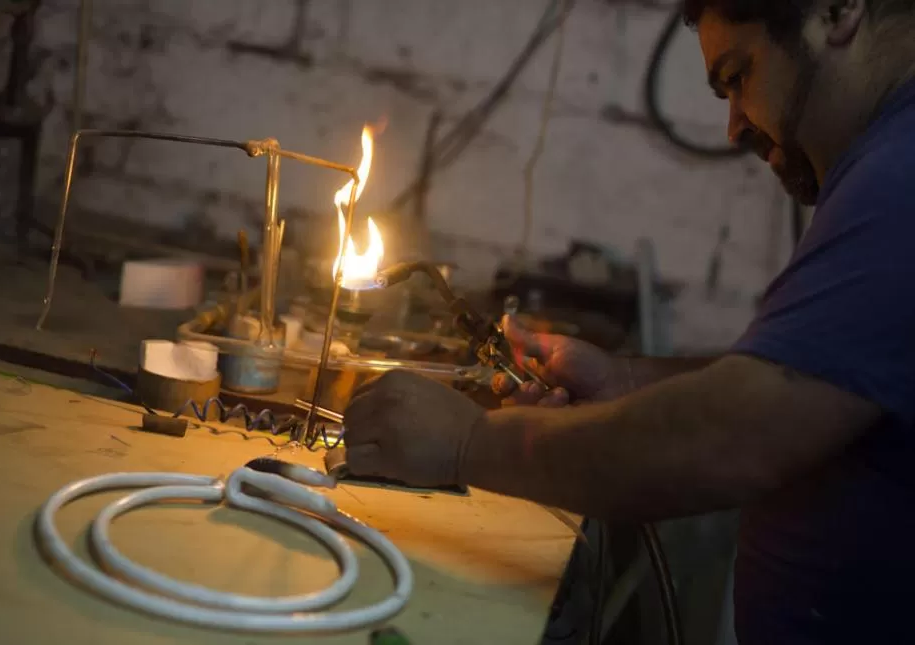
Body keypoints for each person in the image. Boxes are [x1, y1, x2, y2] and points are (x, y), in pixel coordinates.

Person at [342, 1, 915, 643]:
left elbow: (734, 437)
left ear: (839, 10)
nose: (733, 127)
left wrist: (464, 446)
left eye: (738, 76)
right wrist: (629, 383)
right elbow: (819, 385)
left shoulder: (900, 180)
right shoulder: (885, 161)